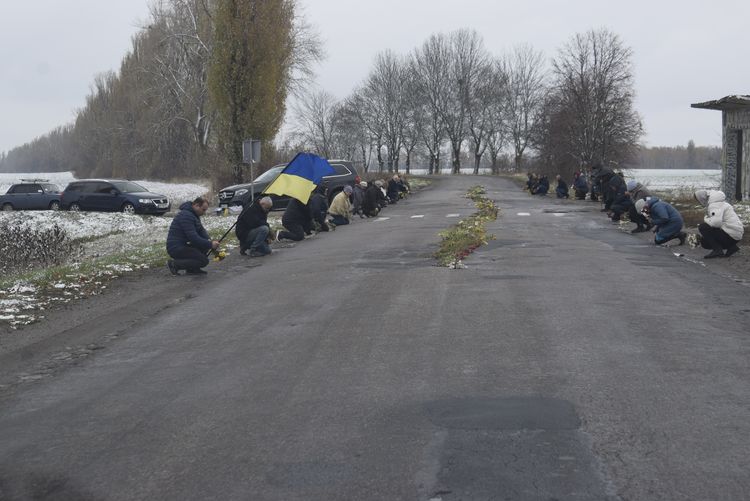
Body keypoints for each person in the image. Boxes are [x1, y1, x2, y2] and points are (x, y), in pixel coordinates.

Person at [166, 197, 219, 275]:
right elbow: (193, 238)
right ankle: (174, 264)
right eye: (203, 210)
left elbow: (202, 232)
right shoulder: (186, 216)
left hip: (185, 245)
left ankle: (192, 269)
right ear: (197, 206)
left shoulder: (193, 215)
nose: (204, 212)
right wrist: (210, 244)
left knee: (204, 248)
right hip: (176, 248)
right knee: (203, 261)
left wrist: (210, 243)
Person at [694, 189, 744, 258]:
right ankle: (732, 247)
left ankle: (717, 250)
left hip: (731, 235)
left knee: (703, 227)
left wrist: (706, 219)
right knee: (704, 241)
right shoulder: (722, 203)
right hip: (736, 235)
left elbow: (716, 223)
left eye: (698, 200)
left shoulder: (714, 205)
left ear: (702, 198)